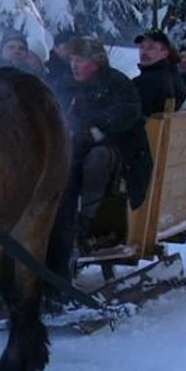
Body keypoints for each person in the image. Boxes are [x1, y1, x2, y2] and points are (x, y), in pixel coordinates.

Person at [44, 36, 153, 301]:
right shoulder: (66, 85)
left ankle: (87, 221)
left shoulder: (116, 83)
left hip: (118, 149)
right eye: (72, 60)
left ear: (96, 62)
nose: (75, 65)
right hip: (73, 146)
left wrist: (96, 127)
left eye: (80, 60)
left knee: (97, 159)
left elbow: (127, 114)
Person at [132, 29, 186, 115]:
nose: (144, 52)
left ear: (165, 53)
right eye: (142, 47)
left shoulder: (149, 81)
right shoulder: (177, 78)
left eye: (151, 48)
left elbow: (131, 114)